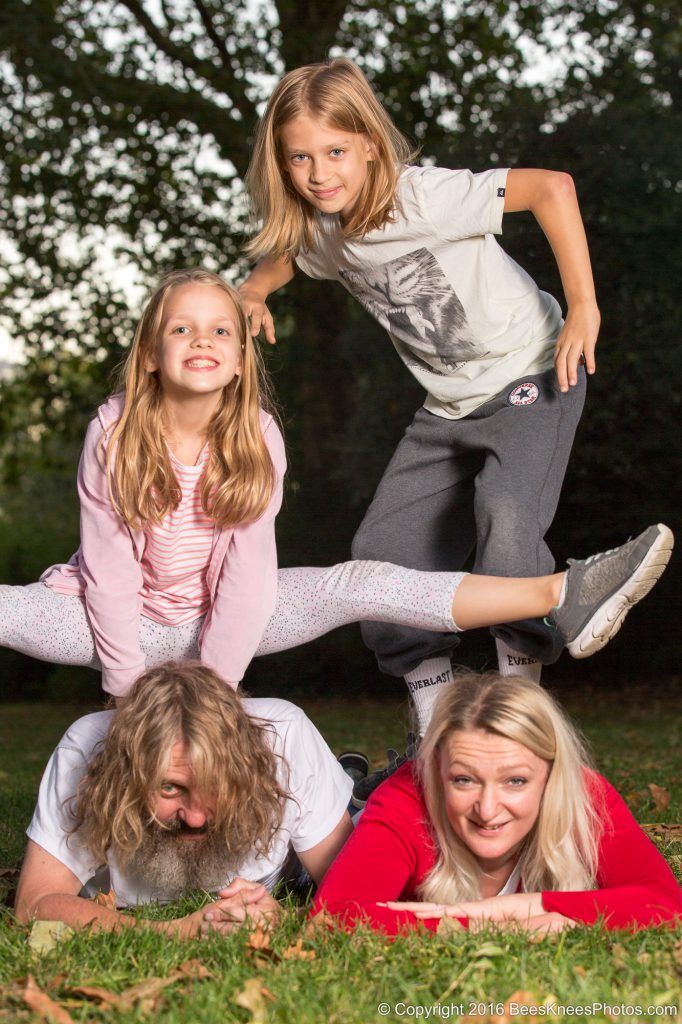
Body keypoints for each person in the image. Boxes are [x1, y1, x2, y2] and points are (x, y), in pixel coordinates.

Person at [0, 269, 672, 697]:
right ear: (149, 354)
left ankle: (565, 591)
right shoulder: (113, 431)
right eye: (181, 328)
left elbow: (249, 575)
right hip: (104, 622)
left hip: (226, 620)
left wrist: (214, 687)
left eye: (219, 329)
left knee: (359, 580)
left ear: (237, 359)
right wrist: (125, 687)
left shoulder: (256, 434)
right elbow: (111, 570)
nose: (200, 339)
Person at [239, 56, 605, 735]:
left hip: (532, 372)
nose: (320, 174)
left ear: (370, 143)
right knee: (379, 554)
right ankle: (434, 708)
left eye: (336, 151)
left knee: (506, 514)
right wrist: (255, 289)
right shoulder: (327, 230)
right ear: (280, 164)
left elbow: (552, 188)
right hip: (446, 409)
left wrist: (583, 307)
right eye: (300, 159)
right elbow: (290, 254)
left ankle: (520, 698)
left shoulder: (424, 196)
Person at [311, 672, 682, 935]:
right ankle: (354, 784)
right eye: (464, 780)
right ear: (437, 769)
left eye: (515, 781)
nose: (487, 809)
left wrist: (515, 907)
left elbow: (666, 903)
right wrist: (489, 925)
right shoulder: (406, 796)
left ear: (552, 776)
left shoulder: (583, 795)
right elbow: (335, 917)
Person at [14, 661, 355, 936]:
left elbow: (358, 895)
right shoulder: (84, 748)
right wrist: (173, 931)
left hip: (295, 869)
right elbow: (33, 903)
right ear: (127, 773)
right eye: (170, 788)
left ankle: (354, 779)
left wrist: (288, 917)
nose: (195, 818)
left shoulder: (286, 735)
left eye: (215, 787)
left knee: (365, 815)